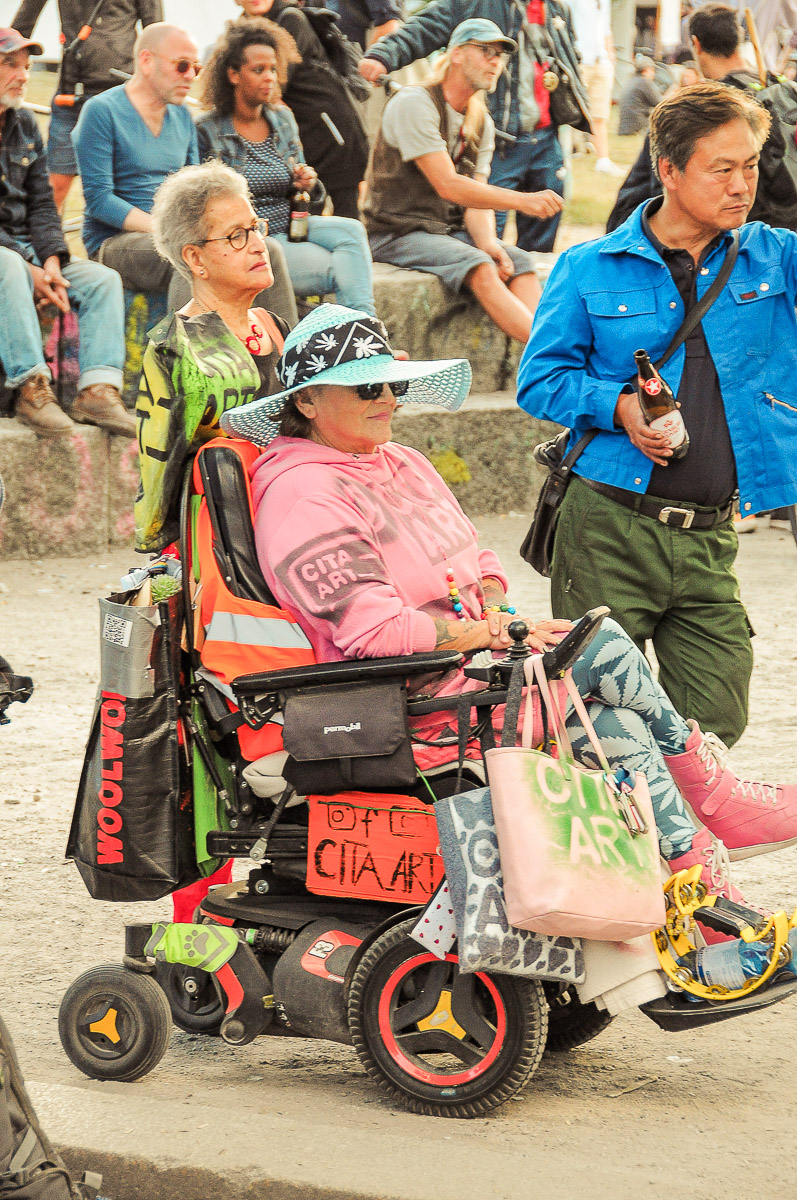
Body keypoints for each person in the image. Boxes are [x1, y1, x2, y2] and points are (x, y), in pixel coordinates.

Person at [221, 303, 797, 907]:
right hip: (404, 703)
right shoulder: (303, 493)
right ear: (307, 402)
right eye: (366, 385)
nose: (388, 396)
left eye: (393, 381)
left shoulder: (401, 461)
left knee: (616, 722)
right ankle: (714, 805)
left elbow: (481, 563)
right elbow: (374, 633)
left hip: (466, 678)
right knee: (599, 644)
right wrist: (491, 633)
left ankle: (705, 902)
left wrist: (502, 619)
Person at [517, 82, 797, 762]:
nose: (741, 185)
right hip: (606, 526)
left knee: (714, 720)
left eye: (752, 164)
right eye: (721, 168)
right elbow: (539, 379)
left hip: (709, 536)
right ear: (668, 171)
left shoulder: (774, 256)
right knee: (595, 721)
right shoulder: (588, 266)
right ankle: (629, 861)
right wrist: (617, 407)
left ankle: (674, 853)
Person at [363, 20, 560, 344]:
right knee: (479, 265)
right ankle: (550, 358)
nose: (495, 61)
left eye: (499, 55)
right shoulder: (416, 102)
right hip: (394, 231)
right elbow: (448, 185)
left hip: (444, 232)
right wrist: (523, 201)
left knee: (518, 261)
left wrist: (489, 243)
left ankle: (558, 348)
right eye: (485, 51)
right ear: (456, 54)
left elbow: (474, 201)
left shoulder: (480, 118)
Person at [134, 161, 290, 555]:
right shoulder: (176, 347)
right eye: (236, 236)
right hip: (223, 545)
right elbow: (159, 479)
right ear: (195, 259)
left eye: (256, 227)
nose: (258, 244)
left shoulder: (273, 326)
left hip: (291, 521)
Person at [359, 0, 586, 254]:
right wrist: (384, 55)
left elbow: (570, 58)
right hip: (501, 136)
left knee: (539, 244)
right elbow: (424, 27)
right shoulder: (474, 3)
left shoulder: (557, 10)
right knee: (484, 241)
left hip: (545, 136)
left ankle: (535, 292)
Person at [0, 28, 131, 438]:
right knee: (7, 265)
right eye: (10, 64)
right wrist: (28, 269)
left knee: (103, 281)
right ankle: (30, 388)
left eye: (26, 66)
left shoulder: (23, 123)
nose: (23, 75)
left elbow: (42, 203)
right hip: (5, 258)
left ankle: (97, 389)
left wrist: (52, 262)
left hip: (28, 254)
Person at [197, 20, 376, 316]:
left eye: (272, 69)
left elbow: (306, 190)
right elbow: (209, 205)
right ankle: (365, 337)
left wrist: (307, 182)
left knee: (352, 230)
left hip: (292, 227)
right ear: (232, 75)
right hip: (252, 238)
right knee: (342, 269)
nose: (269, 77)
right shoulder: (208, 130)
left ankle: (365, 334)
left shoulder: (281, 120)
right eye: (258, 70)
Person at [609, 6, 797, 233]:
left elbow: (658, 194)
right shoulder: (780, 90)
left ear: (696, 44)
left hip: (716, 242)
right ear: (737, 40)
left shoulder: (692, 112)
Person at [11, 0, 163, 211]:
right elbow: (20, 28)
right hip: (72, 92)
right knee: (54, 187)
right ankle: (49, 242)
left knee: (126, 189)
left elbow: (156, 34)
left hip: (122, 96)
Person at [232, 0, 370, 219]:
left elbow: (275, 86)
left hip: (331, 129)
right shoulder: (244, 27)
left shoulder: (289, 19)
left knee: (338, 212)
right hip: (306, 131)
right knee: (306, 212)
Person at [568, 0, 624, 176]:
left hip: (602, 60)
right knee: (570, 111)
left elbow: (606, 28)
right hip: (580, 59)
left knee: (600, 115)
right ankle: (567, 158)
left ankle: (603, 161)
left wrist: (610, 55)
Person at [617, 54, 661, 135]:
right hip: (637, 127)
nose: (654, 74)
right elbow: (658, 103)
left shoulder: (631, 80)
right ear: (645, 71)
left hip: (625, 127)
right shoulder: (644, 82)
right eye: (652, 70)